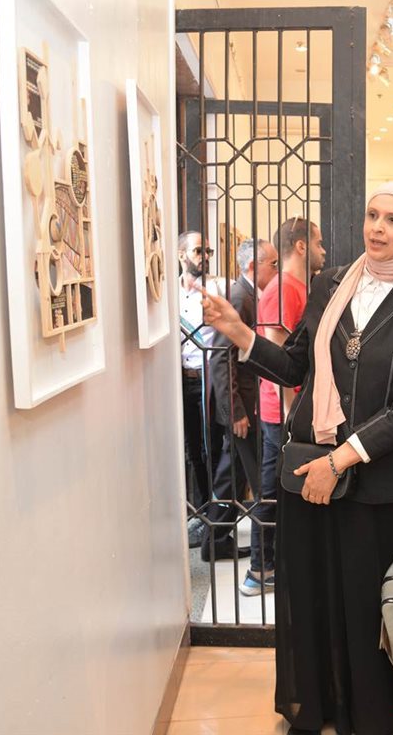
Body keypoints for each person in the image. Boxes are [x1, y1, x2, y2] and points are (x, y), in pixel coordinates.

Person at [201, 182, 393, 735]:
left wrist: (338, 461)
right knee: (313, 594)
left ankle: (371, 715)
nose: (378, 228)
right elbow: (296, 367)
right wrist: (240, 334)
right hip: (310, 472)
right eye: (372, 215)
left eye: (392, 219)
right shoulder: (332, 283)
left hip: (382, 481)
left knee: (365, 605)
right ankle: (318, 707)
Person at [242, 218, 325, 595]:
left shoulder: (295, 287)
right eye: (318, 243)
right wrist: (293, 417)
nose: (324, 250)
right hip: (283, 413)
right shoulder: (283, 289)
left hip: (294, 409)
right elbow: (277, 362)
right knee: (276, 490)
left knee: (282, 489)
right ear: (302, 246)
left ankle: (272, 565)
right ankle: (260, 570)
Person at [204, 238, 279, 562]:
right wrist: (234, 411)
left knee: (232, 473)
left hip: (246, 400)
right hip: (242, 404)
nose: (277, 270)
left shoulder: (250, 295)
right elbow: (221, 359)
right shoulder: (239, 297)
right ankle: (258, 552)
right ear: (252, 266)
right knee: (254, 474)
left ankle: (215, 540)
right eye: (273, 264)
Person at [177, 230, 227, 548]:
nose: (205, 257)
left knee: (214, 448)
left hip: (211, 381)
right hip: (182, 380)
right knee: (192, 449)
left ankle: (218, 518)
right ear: (181, 254)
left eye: (208, 251)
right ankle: (201, 513)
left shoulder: (217, 289)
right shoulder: (170, 294)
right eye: (199, 251)